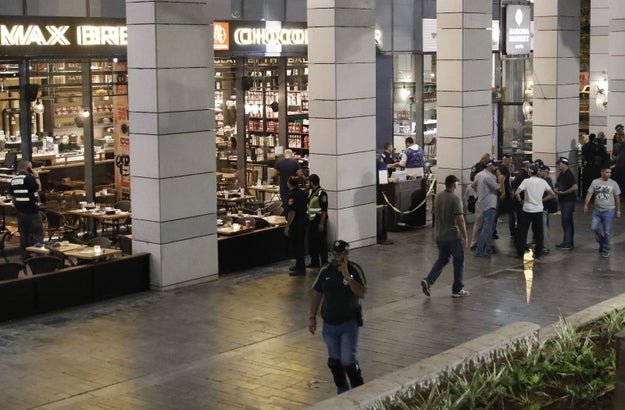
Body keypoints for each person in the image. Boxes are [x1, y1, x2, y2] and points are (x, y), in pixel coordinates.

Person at [308, 239, 367, 394]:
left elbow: (362, 293)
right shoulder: (325, 271)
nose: (335, 257)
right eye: (333, 254)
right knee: (335, 362)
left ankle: (358, 389)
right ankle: (342, 389)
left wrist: (347, 277)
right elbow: (317, 292)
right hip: (330, 325)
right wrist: (312, 316)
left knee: (348, 361)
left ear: (346, 254)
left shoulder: (355, 269)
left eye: (339, 254)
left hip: (349, 324)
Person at [421, 174, 470, 298]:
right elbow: (460, 219)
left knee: (443, 259)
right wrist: (465, 236)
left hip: (439, 235)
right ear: (454, 185)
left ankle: (429, 280)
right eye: (457, 184)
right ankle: (457, 289)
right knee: (458, 261)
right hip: (453, 236)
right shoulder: (455, 199)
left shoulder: (438, 196)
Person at [514, 165, 556, 260]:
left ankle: (520, 251)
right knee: (539, 232)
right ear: (537, 172)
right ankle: (538, 252)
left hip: (527, 209)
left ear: (529, 172)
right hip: (538, 209)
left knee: (523, 231)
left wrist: (521, 201)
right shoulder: (543, 182)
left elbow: (516, 193)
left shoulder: (526, 181)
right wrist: (542, 200)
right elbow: (552, 194)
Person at [583, 166, 621, 257]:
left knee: (607, 231)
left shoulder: (613, 184)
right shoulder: (595, 182)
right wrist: (586, 204)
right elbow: (589, 194)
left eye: (610, 172)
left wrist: (618, 210)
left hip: (609, 210)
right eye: (607, 172)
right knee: (594, 228)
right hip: (597, 211)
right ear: (602, 172)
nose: (609, 174)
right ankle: (603, 243)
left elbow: (617, 198)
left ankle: (605, 249)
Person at [10, 160, 44, 259]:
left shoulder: (14, 179)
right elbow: (38, 189)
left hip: (21, 212)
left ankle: (24, 255)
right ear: (28, 168)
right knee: (37, 233)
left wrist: (18, 206)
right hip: (32, 211)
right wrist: (36, 176)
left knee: (24, 234)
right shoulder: (28, 178)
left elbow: (13, 196)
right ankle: (39, 255)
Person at [471, 159, 504, 257]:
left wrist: (480, 193)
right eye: (495, 166)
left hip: (481, 203)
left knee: (482, 226)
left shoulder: (480, 175)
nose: (496, 168)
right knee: (487, 228)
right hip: (490, 204)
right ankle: (480, 250)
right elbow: (500, 189)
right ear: (490, 166)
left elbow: (473, 185)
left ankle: (487, 248)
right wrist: (501, 180)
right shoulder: (489, 177)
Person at [284, 176, 308, 276]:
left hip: (296, 223)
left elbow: (292, 212)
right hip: (303, 221)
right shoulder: (303, 193)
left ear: (289, 183)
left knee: (297, 246)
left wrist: (287, 226)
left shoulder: (292, 195)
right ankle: (298, 265)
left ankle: (301, 269)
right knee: (300, 245)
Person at [554, 156, 578, 250]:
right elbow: (558, 183)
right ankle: (567, 241)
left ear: (564, 164)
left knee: (567, 222)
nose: (558, 166)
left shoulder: (569, 174)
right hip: (563, 201)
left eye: (559, 164)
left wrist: (564, 192)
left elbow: (575, 187)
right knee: (566, 222)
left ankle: (568, 243)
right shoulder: (562, 174)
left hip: (568, 201)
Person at [307, 174, 328, 268]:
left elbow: (324, 209)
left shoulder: (321, 193)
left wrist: (321, 223)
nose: (308, 184)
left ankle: (324, 261)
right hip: (312, 220)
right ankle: (314, 261)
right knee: (312, 242)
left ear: (312, 182)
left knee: (321, 242)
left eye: (308, 182)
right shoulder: (312, 192)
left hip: (318, 220)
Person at [274, 149, 303, 215]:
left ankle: (285, 216)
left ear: (284, 154)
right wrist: (304, 180)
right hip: (293, 187)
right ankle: (291, 216)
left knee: (285, 203)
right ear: (292, 154)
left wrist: (280, 173)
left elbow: (274, 174)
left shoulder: (279, 162)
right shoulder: (295, 162)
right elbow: (300, 174)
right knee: (293, 203)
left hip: (283, 186)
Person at [611, 124, 625, 196]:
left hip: (621, 163)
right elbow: (613, 154)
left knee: (622, 180)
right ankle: (618, 193)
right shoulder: (616, 145)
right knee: (619, 180)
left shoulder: (621, 141)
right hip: (618, 164)